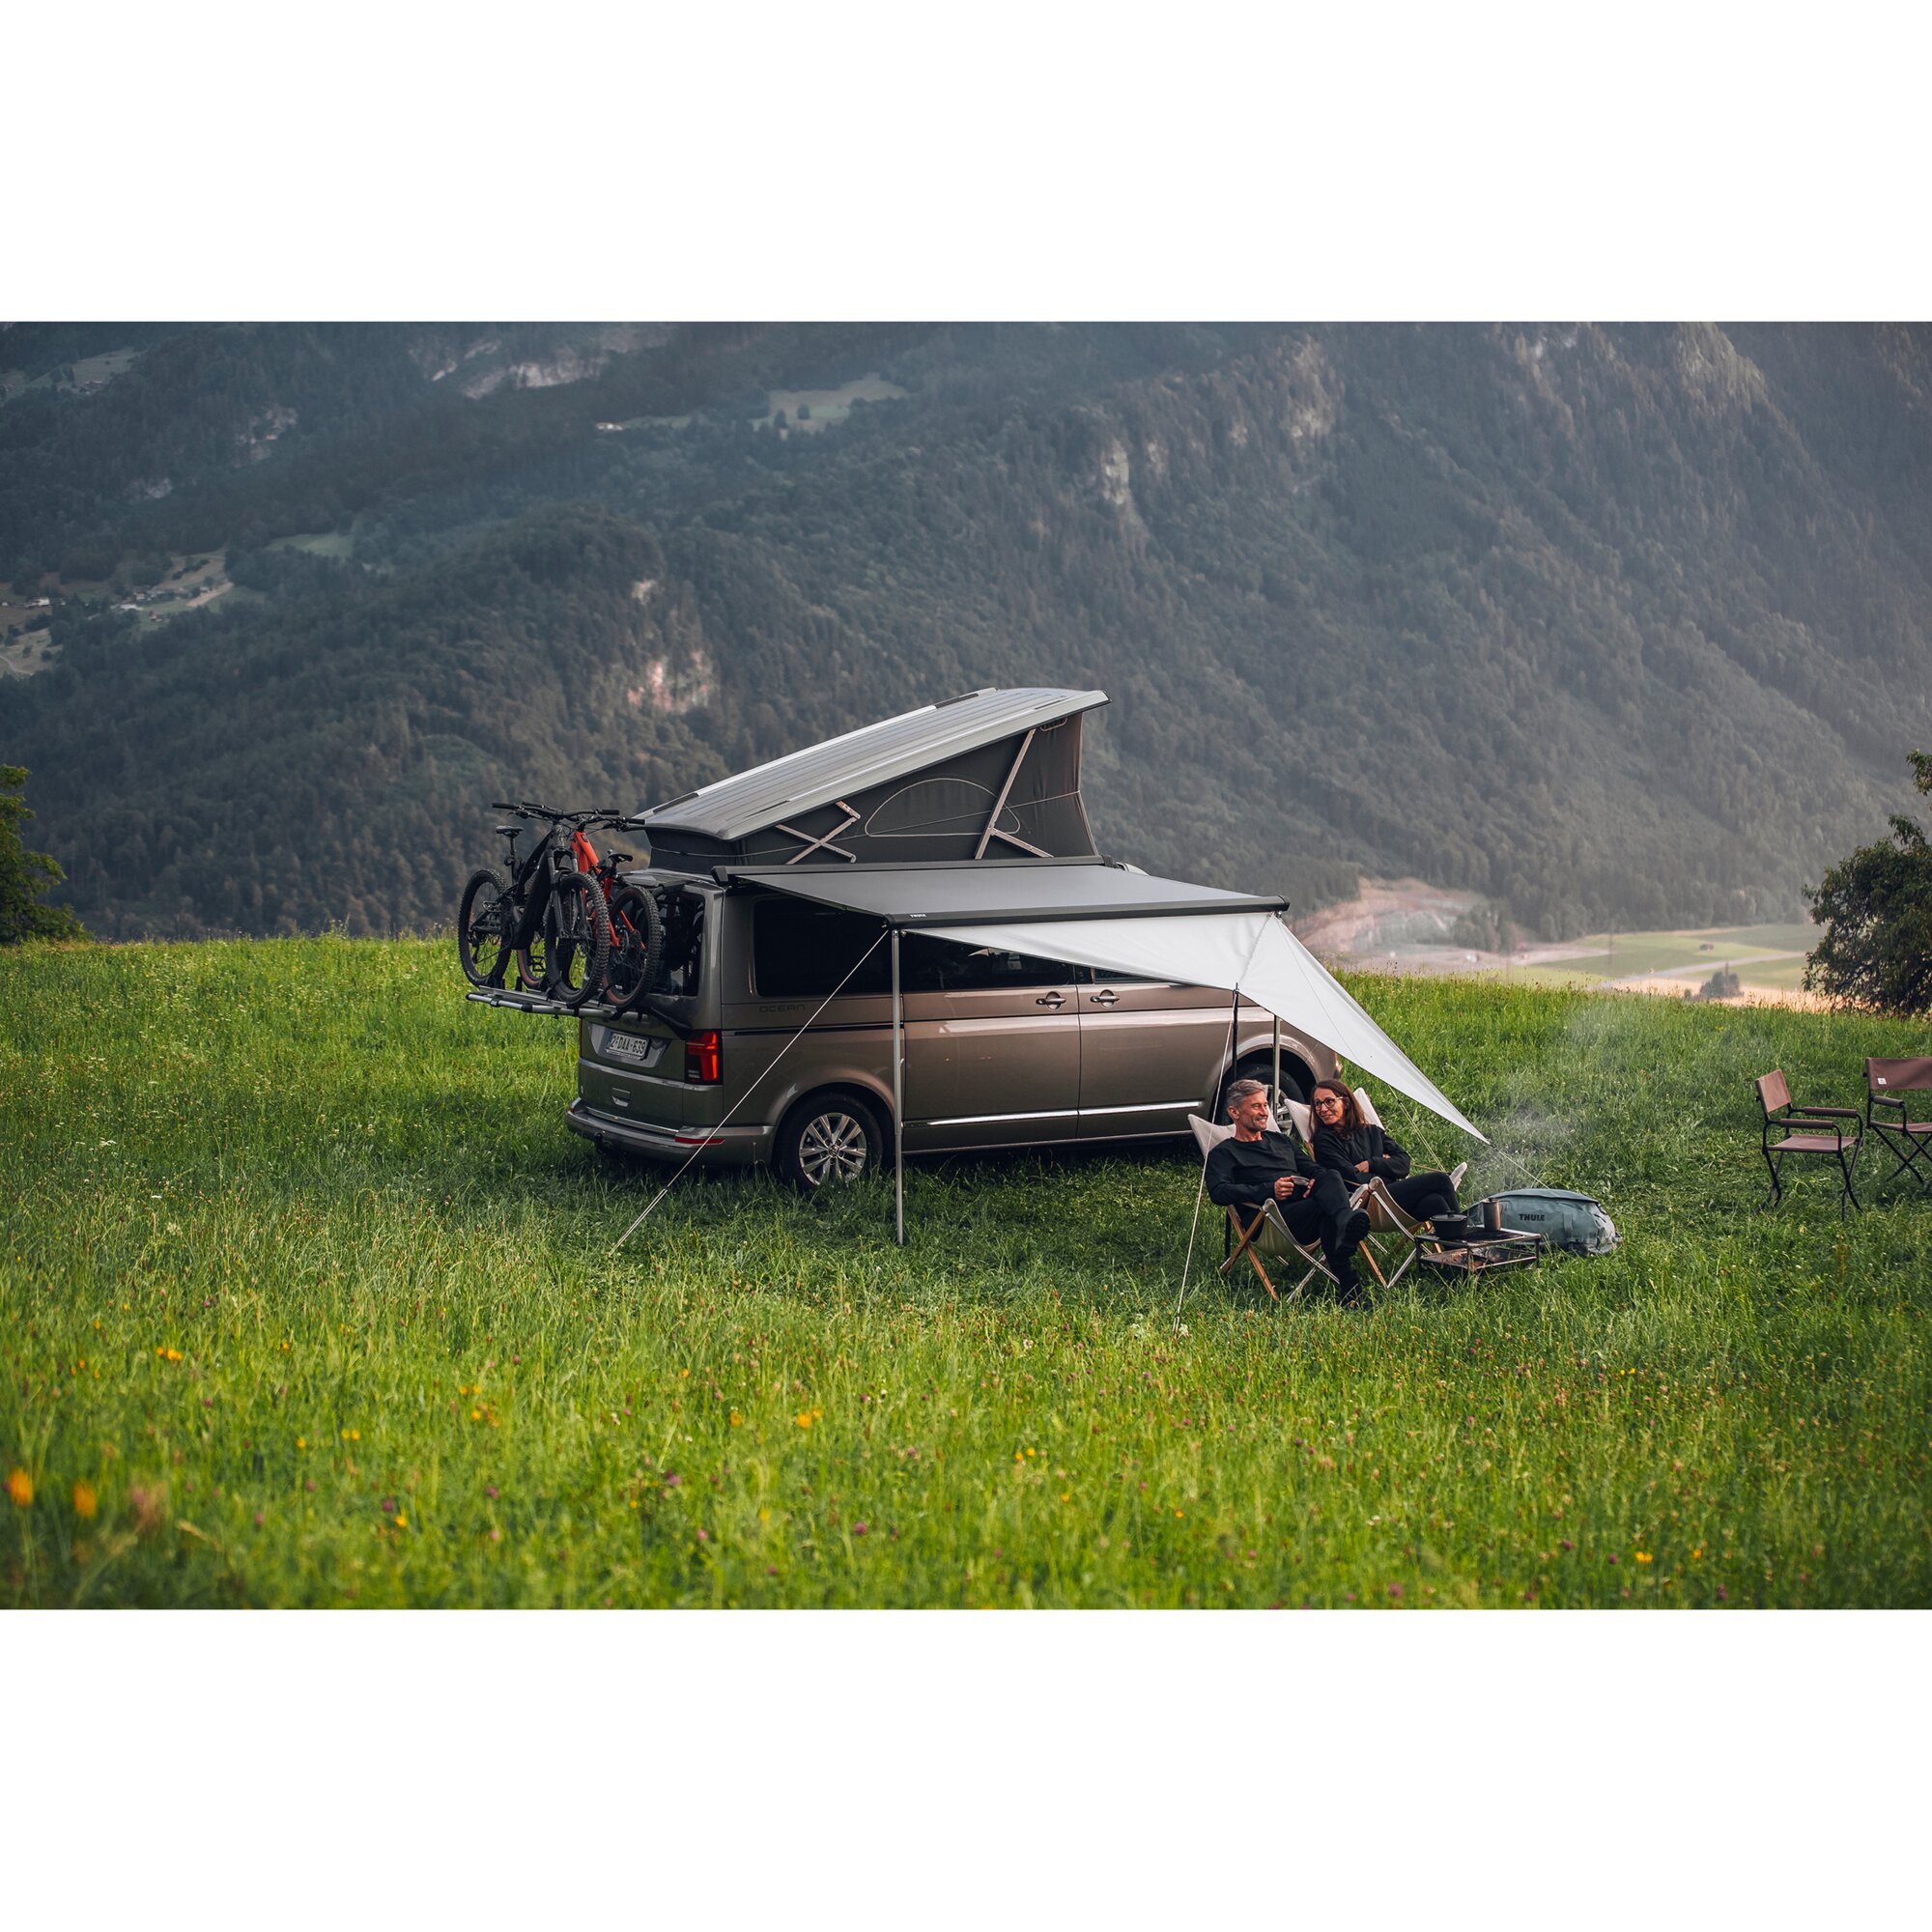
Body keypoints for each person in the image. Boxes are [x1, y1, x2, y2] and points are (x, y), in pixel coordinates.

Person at [1206, 1078, 1372, 1305]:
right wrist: (1269, 1190)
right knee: (1325, 1210)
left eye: (1265, 1105)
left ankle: (1349, 1276)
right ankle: (1350, 1279)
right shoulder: (1224, 1153)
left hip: (1303, 1207)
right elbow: (1219, 1192)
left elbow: (1313, 1168)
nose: (1264, 1112)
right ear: (1234, 1112)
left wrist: (1314, 1180)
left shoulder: (1281, 1141)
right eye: (1256, 1106)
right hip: (1270, 1221)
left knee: (1330, 1176)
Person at [1308, 1079, 1460, 1224]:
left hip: (1392, 1198)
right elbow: (1354, 1179)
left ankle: (1460, 1241)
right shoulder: (1324, 1142)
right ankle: (1467, 1233)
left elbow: (1404, 1163)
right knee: (1440, 1180)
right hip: (1368, 1203)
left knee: (1435, 1203)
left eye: (1329, 1101)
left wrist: (1372, 1164)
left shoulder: (1371, 1131)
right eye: (1318, 1104)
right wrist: (1388, 1169)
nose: (1323, 1109)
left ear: (1346, 1103)